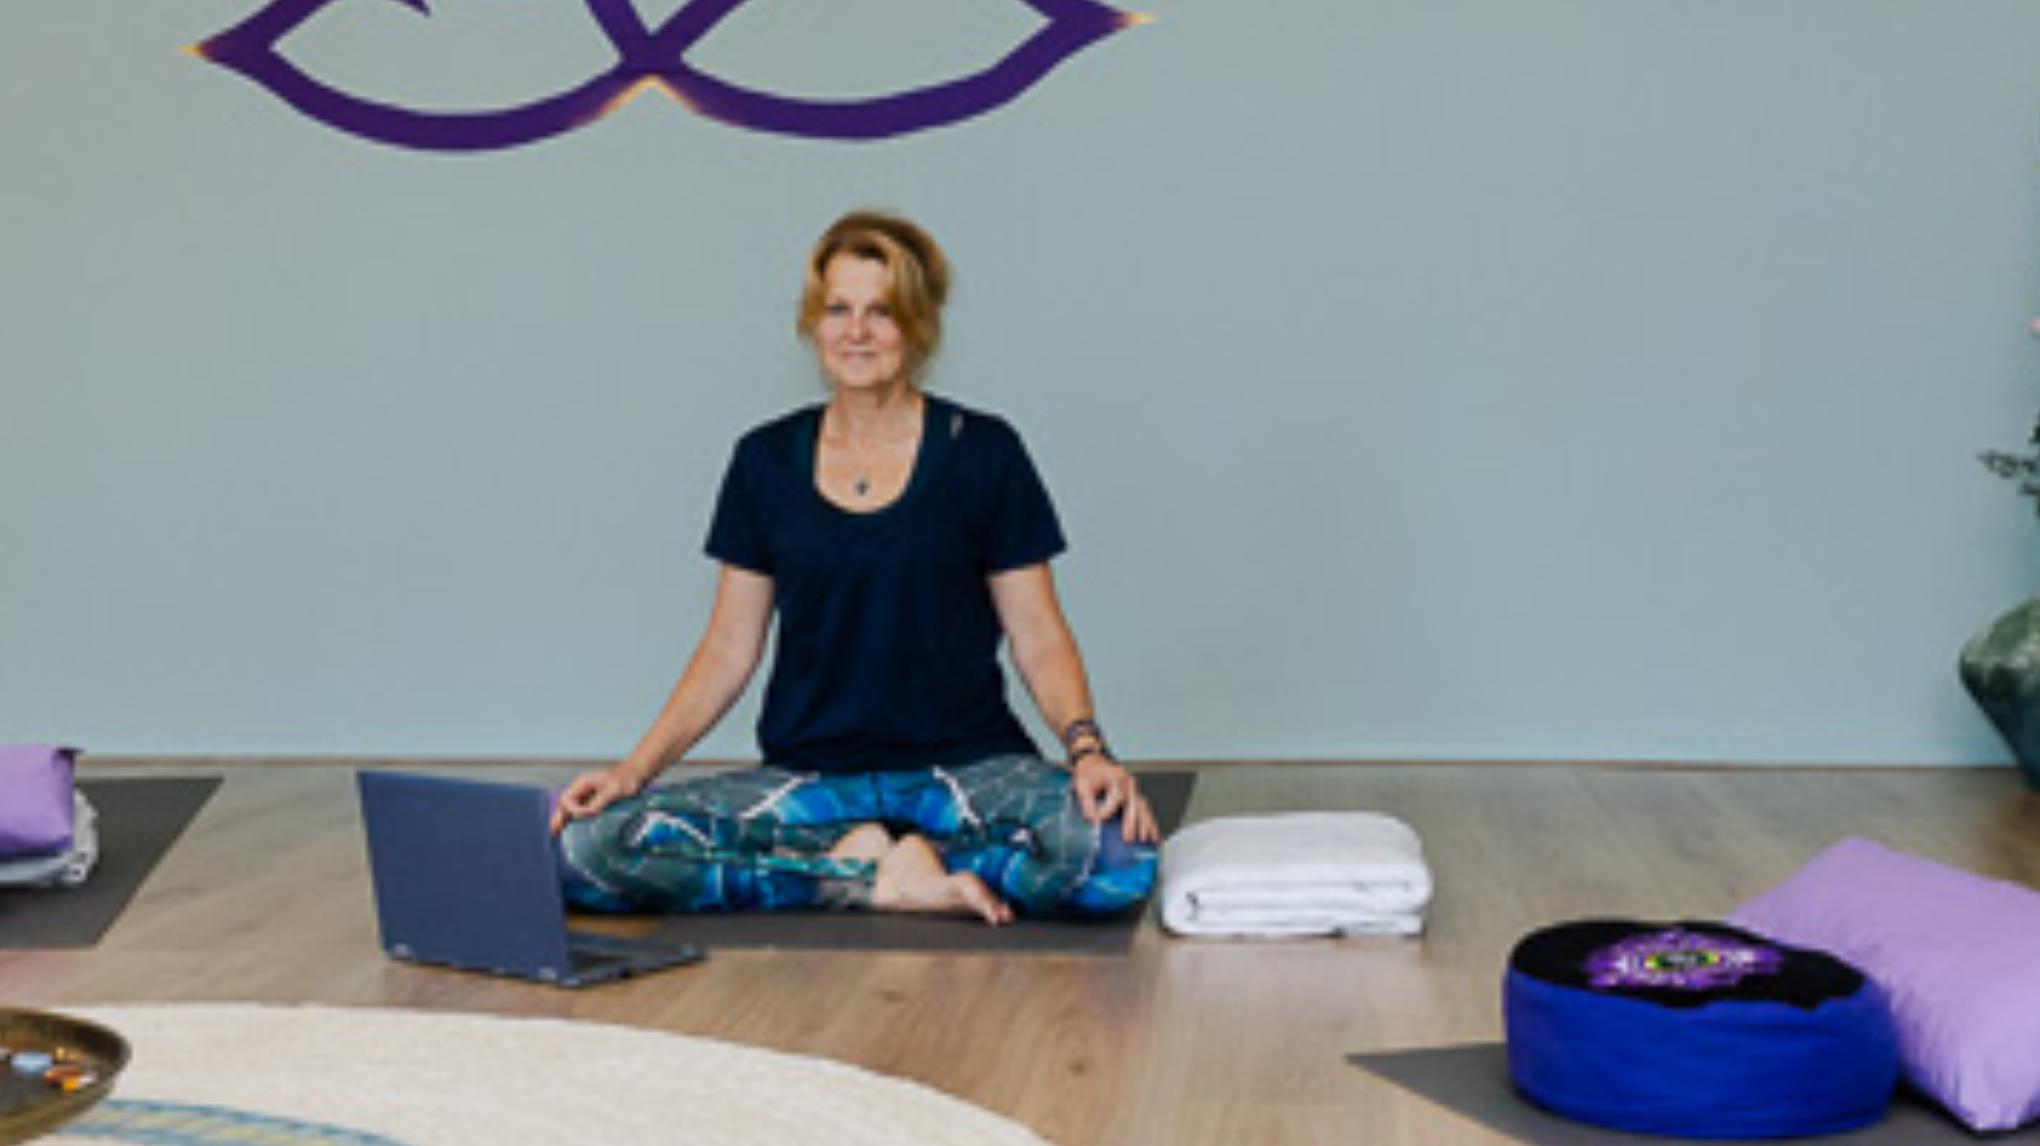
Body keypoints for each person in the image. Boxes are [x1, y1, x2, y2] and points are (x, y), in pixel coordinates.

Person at [550, 210, 1159, 925]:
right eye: (839, 309)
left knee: (1115, 860)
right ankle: (875, 876)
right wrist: (633, 770)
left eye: (882, 311)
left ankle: (897, 862)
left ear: (919, 325)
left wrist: (1088, 752)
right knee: (581, 849)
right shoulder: (762, 461)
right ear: (814, 323)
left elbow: (1038, 634)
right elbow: (726, 649)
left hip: (962, 770)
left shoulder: (986, 452)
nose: (857, 331)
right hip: (813, 779)